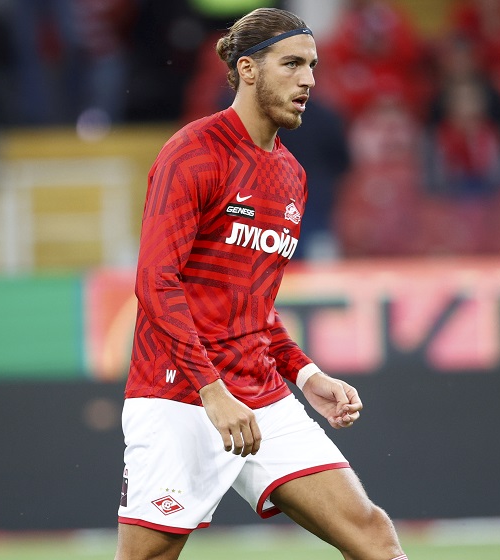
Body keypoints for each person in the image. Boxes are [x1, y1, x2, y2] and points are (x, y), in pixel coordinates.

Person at [115, 8, 407, 560]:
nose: (308, 80)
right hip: (180, 392)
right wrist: (211, 390)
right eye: (292, 64)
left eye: (313, 66)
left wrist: (306, 373)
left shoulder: (291, 175)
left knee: (372, 537)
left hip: (259, 392)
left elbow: (253, 307)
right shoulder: (193, 152)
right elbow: (155, 283)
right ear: (247, 70)